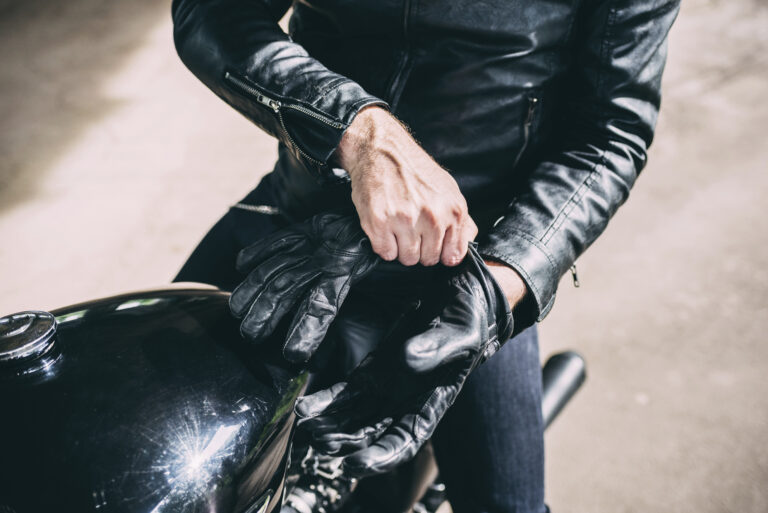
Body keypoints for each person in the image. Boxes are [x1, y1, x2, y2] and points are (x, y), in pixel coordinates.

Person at [170, 1, 680, 511]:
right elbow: (211, 13)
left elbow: (609, 133)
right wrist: (361, 132)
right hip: (302, 222)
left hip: (472, 262)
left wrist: (498, 286)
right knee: (117, 425)